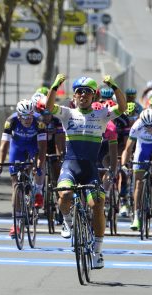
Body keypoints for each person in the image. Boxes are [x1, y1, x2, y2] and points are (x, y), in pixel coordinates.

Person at [46, 74, 127, 269]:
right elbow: (48, 107)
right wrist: (55, 85)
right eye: (79, 92)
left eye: (87, 92)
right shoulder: (67, 113)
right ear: (74, 97)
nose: (83, 95)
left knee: (97, 203)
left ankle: (97, 251)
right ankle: (67, 221)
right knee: (65, 194)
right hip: (71, 166)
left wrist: (114, 86)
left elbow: (122, 108)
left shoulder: (101, 115)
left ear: (93, 96)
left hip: (90, 168)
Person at [0, 99, 47, 239]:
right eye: (25, 117)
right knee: (15, 185)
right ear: (18, 115)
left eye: (30, 116)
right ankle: (16, 224)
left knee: (37, 166)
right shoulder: (10, 121)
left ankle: (37, 191)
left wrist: (39, 165)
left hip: (33, 146)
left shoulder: (39, 120)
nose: (28, 119)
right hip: (16, 147)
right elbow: (3, 146)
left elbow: (42, 147)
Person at [122, 108, 152, 230]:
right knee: (138, 184)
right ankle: (136, 216)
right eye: (147, 125)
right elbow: (128, 148)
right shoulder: (137, 126)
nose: (150, 127)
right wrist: (124, 164)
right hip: (142, 150)